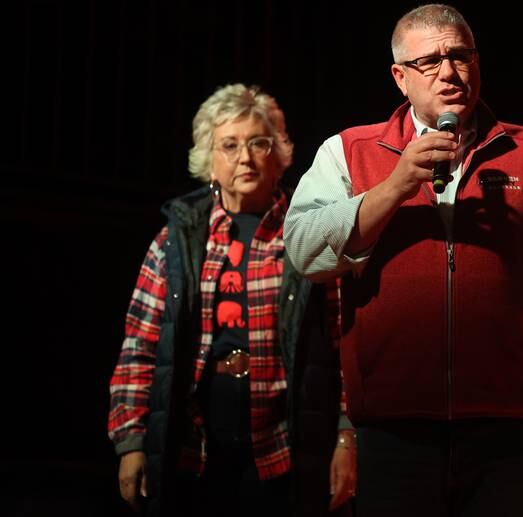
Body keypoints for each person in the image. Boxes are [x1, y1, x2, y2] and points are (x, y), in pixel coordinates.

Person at [284, 4, 523, 517]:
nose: (448, 72)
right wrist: (396, 185)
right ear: (400, 78)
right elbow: (304, 249)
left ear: (478, 63)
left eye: (459, 56)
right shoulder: (348, 152)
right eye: (428, 62)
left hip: (509, 434)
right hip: (394, 431)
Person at [108, 84, 356, 517]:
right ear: (209, 161)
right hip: (195, 453)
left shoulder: (308, 236)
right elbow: (140, 346)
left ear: (278, 154)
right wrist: (131, 442)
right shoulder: (176, 241)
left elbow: (345, 344)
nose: (245, 157)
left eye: (258, 143)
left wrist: (345, 436)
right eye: (229, 145)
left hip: (283, 453)